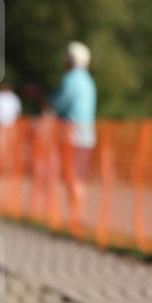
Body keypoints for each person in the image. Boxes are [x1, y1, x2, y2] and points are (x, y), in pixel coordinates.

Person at [52, 41, 97, 204]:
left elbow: (60, 103)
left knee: (70, 174)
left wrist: (47, 101)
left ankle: (74, 215)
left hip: (72, 133)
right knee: (79, 175)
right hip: (87, 135)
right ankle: (76, 214)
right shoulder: (88, 80)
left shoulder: (71, 79)